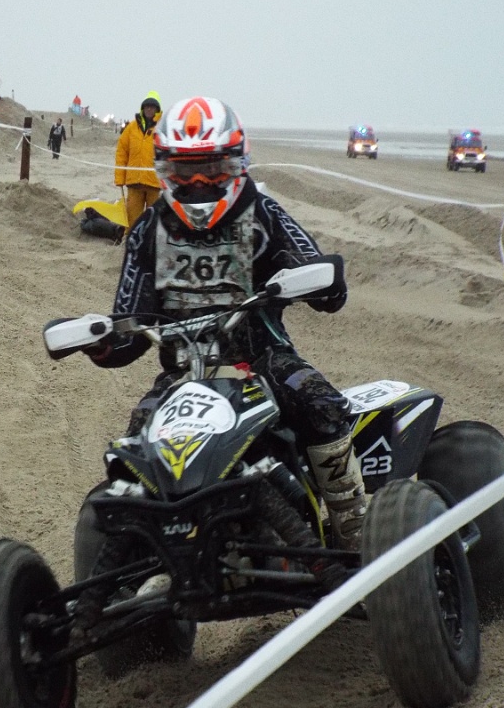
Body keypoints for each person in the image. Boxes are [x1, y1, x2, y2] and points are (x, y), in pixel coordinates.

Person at [84, 96, 367, 558]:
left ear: (237, 163)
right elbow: (125, 334)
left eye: (211, 169)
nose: (197, 182)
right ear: (163, 168)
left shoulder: (264, 215)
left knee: (319, 402)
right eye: (184, 170)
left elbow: (329, 292)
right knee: (134, 449)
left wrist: (316, 279)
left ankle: (356, 531)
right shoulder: (146, 232)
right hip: (181, 378)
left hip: (263, 359)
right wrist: (100, 342)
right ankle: (144, 561)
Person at [114, 91, 162, 235]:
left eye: (152, 107)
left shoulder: (162, 128)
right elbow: (122, 152)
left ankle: (151, 245)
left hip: (155, 183)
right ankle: (129, 242)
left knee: (153, 219)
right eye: (147, 106)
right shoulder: (131, 128)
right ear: (143, 108)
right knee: (132, 219)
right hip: (134, 182)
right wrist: (119, 178)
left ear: (157, 109)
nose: (149, 109)